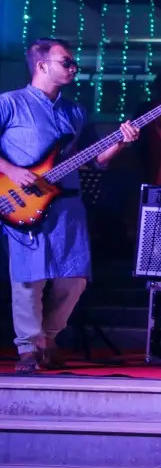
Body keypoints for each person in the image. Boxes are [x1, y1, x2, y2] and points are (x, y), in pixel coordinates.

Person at [0, 38, 139, 373]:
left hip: (68, 206)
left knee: (74, 278)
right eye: (66, 62)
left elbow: (95, 159)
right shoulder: (9, 103)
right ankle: (28, 349)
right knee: (29, 279)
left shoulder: (75, 111)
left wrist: (120, 143)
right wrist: (12, 171)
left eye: (73, 63)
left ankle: (48, 337)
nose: (74, 68)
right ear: (41, 65)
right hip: (22, 203)